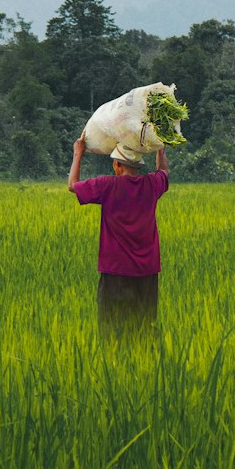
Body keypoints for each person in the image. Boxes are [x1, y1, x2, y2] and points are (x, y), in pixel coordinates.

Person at [68, 133, 169, 335]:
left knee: (112, 329)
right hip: (147, 272)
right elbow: (164, 171)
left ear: (117, 166)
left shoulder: (106, 185)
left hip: (115, 271)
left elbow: (73, 186)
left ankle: (116, 364)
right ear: (137, 166)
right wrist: (160, 148)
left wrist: (77, 154)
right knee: (145, 328)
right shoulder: (151, 184)